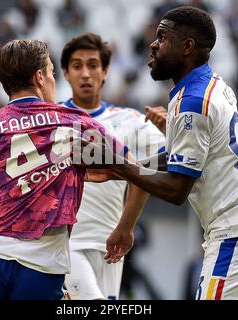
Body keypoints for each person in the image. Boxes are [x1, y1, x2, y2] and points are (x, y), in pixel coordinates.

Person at [85, 6, 238, 300]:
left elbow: (177, 188)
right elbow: (179, 158)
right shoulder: (210, 83)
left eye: (162, 37)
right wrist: (123, 166)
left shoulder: (191, 101)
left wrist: (118, 165)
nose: (153, 44)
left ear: (187, 47)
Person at [0, 39, 127, 300]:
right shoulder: (76, 123)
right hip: (43, 266)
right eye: (53, 73)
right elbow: (133, 169)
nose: (55, 81)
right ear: (40, 77)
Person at [59, 33, 165, 300]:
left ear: (105, 72)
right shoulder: (52, 121)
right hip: (64, 244)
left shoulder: (129, 121)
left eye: (93, 65)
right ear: (65, 73)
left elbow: (161, 164)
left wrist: (169, 129)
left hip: (111, 246)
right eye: (77, 66)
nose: (85, 73)